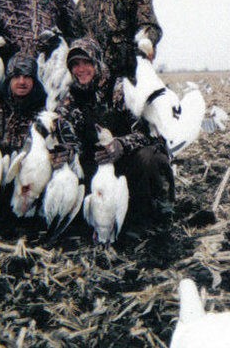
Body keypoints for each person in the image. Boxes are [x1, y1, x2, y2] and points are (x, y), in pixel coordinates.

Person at [52, 38, 174, 235]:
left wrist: (121, 145)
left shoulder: (119, 89)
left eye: (86, 62)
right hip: (97, 166)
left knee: (151, 158)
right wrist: (66, 152)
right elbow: (67, 136)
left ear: (97, 62)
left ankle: (158, 216)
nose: (81, 69)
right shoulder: (70, 99)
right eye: (75, 64)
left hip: (128, 160)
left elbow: (148, 133)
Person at [0, 54, 47, 227]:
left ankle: (34, 218)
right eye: (16, 76)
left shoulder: (45, 110)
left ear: (34, 80)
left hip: (29, 175)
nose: (22, 82)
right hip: (0, 173)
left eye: (27, 77)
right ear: (9, 79)